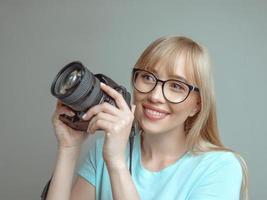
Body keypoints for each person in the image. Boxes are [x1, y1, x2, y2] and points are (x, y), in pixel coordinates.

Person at [46, 36, 248, 200]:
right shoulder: (105, 151)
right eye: (148, 77)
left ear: (197, 105)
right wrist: (69, 149)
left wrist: (117, 165)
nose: (155, 96)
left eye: (176, 86)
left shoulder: (220, 167)